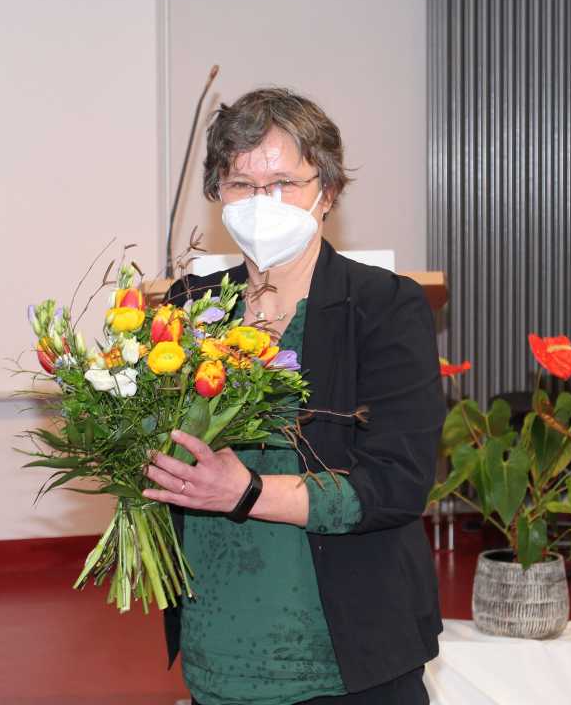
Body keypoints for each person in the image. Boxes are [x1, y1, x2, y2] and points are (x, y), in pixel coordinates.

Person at [144, 88, 443, 704]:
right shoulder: (191, 308)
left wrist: (247, 492)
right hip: (218, 650)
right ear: (218, 192)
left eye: (283, 183)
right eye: (241, 184)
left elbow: (396, 484)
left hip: (346, 658)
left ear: (326, 192)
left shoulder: (384, 307)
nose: (262, 203)